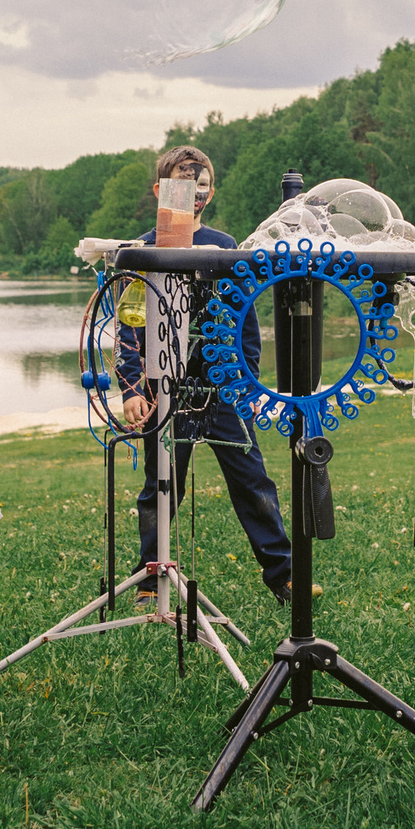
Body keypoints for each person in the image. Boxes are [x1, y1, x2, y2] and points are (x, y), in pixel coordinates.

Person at [116, 146, 296, 607]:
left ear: (209, 193)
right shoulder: (143, 250)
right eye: (180, 183)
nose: (191, 192)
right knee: (159, 489)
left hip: (222, 389)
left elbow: (244, 325)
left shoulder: (223, 247)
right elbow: (129, 328)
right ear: (160, 190)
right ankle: (148, 579)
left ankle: (283, 574)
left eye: (200, 185)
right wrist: (133, 388)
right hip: (164, 390)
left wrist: (248, 384)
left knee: (252, 480)